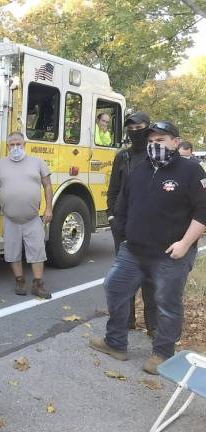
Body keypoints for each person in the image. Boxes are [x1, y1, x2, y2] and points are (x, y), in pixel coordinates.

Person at [90, 121, 206, 375]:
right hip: (133, 250)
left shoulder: (191, 170)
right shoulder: (140, 170)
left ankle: (163, 354)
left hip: (171, 254)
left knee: (166, 303)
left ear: (175, 142)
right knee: (115, 287)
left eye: (161, 140)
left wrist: (185, 243)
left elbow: (203, 210)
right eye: (151, 141)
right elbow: (124, 205)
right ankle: (116, 343)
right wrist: (121, 232)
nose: (155, 145)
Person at [0, 132, 53, 299]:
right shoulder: (0, 165)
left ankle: (38, 283)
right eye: (12, 144)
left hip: (32, 218)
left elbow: (48, 186)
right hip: (10, 219)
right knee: (12, 252)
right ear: (7, 147)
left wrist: (49, 208)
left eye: (18, 144)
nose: (15, 147)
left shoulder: (37, 162)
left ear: (24, 144)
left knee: (37, 251)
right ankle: (20, 280)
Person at [106, 112, 157, 337]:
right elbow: (113, 190)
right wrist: (111, 217)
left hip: (151, 227)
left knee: (150, 279)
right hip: (123, 226)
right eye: (131, 128)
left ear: (148, 127)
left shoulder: (156, 155)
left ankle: (153, 326)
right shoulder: (122, 157)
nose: (135, 131)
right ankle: (127, 321)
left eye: (140, 127)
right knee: (124, 277)